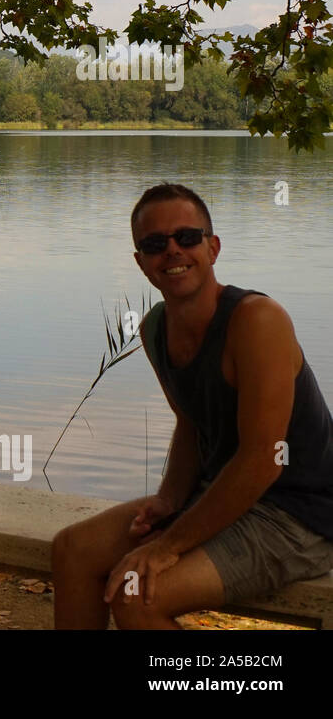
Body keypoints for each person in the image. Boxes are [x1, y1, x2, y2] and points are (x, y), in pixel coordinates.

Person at [51, 182, 333, 628]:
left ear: (213, 247)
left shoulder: (258, 321)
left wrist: (167, 546)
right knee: (71, 550)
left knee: (136, 596)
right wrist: (169, 498)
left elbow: (263, 460)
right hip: (218, 495)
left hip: (297, 516)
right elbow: (189, 421)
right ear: (140, 262)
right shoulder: (155, 329)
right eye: (154, 244)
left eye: (187, 237)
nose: (173, 252)